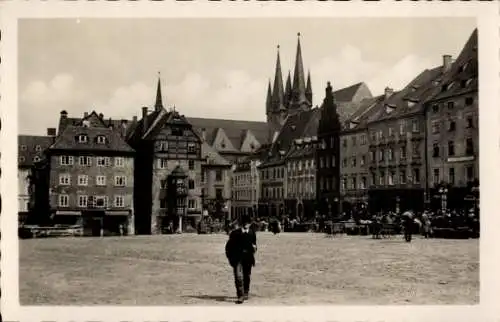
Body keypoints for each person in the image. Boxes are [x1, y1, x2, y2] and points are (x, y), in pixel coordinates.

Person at [225, 215, 257, 304]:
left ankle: (246, 292)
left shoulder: (252, 233)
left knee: (247, 276)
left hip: (248, 258)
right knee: (238, 277)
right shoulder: (235, 233)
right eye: (245, 223)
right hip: (237, 258)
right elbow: (228, 247)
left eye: (248, 223)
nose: (247, 225)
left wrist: (254, 248)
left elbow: (254, 245)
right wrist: (231, 258)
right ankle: (240, 295)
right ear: (242, 224)